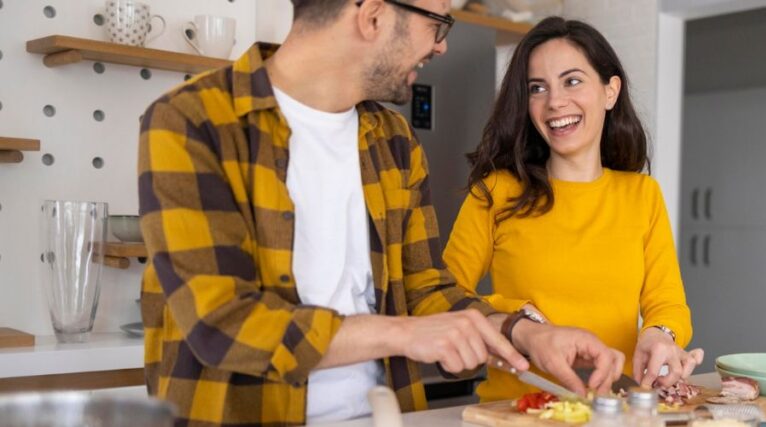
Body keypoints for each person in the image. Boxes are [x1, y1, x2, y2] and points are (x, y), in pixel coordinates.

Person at [137, 2, 623, 425]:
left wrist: (526, 334)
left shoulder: (392, 140)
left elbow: (426, 290)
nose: (441, 48)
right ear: (372, 15)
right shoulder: (192, 122)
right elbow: (222, 323)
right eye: (438, 24)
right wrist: (406, 334)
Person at [443, 16, 704, 402]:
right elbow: (442, 297)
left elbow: (667, 303)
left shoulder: (642, 195)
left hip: (614, 409)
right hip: (516, 411)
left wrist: (660, 335)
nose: (555, 102)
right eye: (538, 88)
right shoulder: (496, 192)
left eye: (572, 80)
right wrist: (519, 319)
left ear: (610, 91)